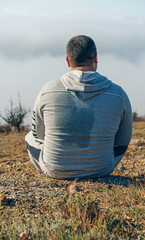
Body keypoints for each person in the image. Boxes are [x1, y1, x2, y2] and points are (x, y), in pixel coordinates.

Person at [25, 35, 132, 179]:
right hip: (102, 169)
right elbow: (124, 140)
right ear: (95, 58)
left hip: (55, 170)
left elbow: (39, 134)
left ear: (68, 61)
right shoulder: (119, 94)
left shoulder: (47, 90)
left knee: (29, 137)